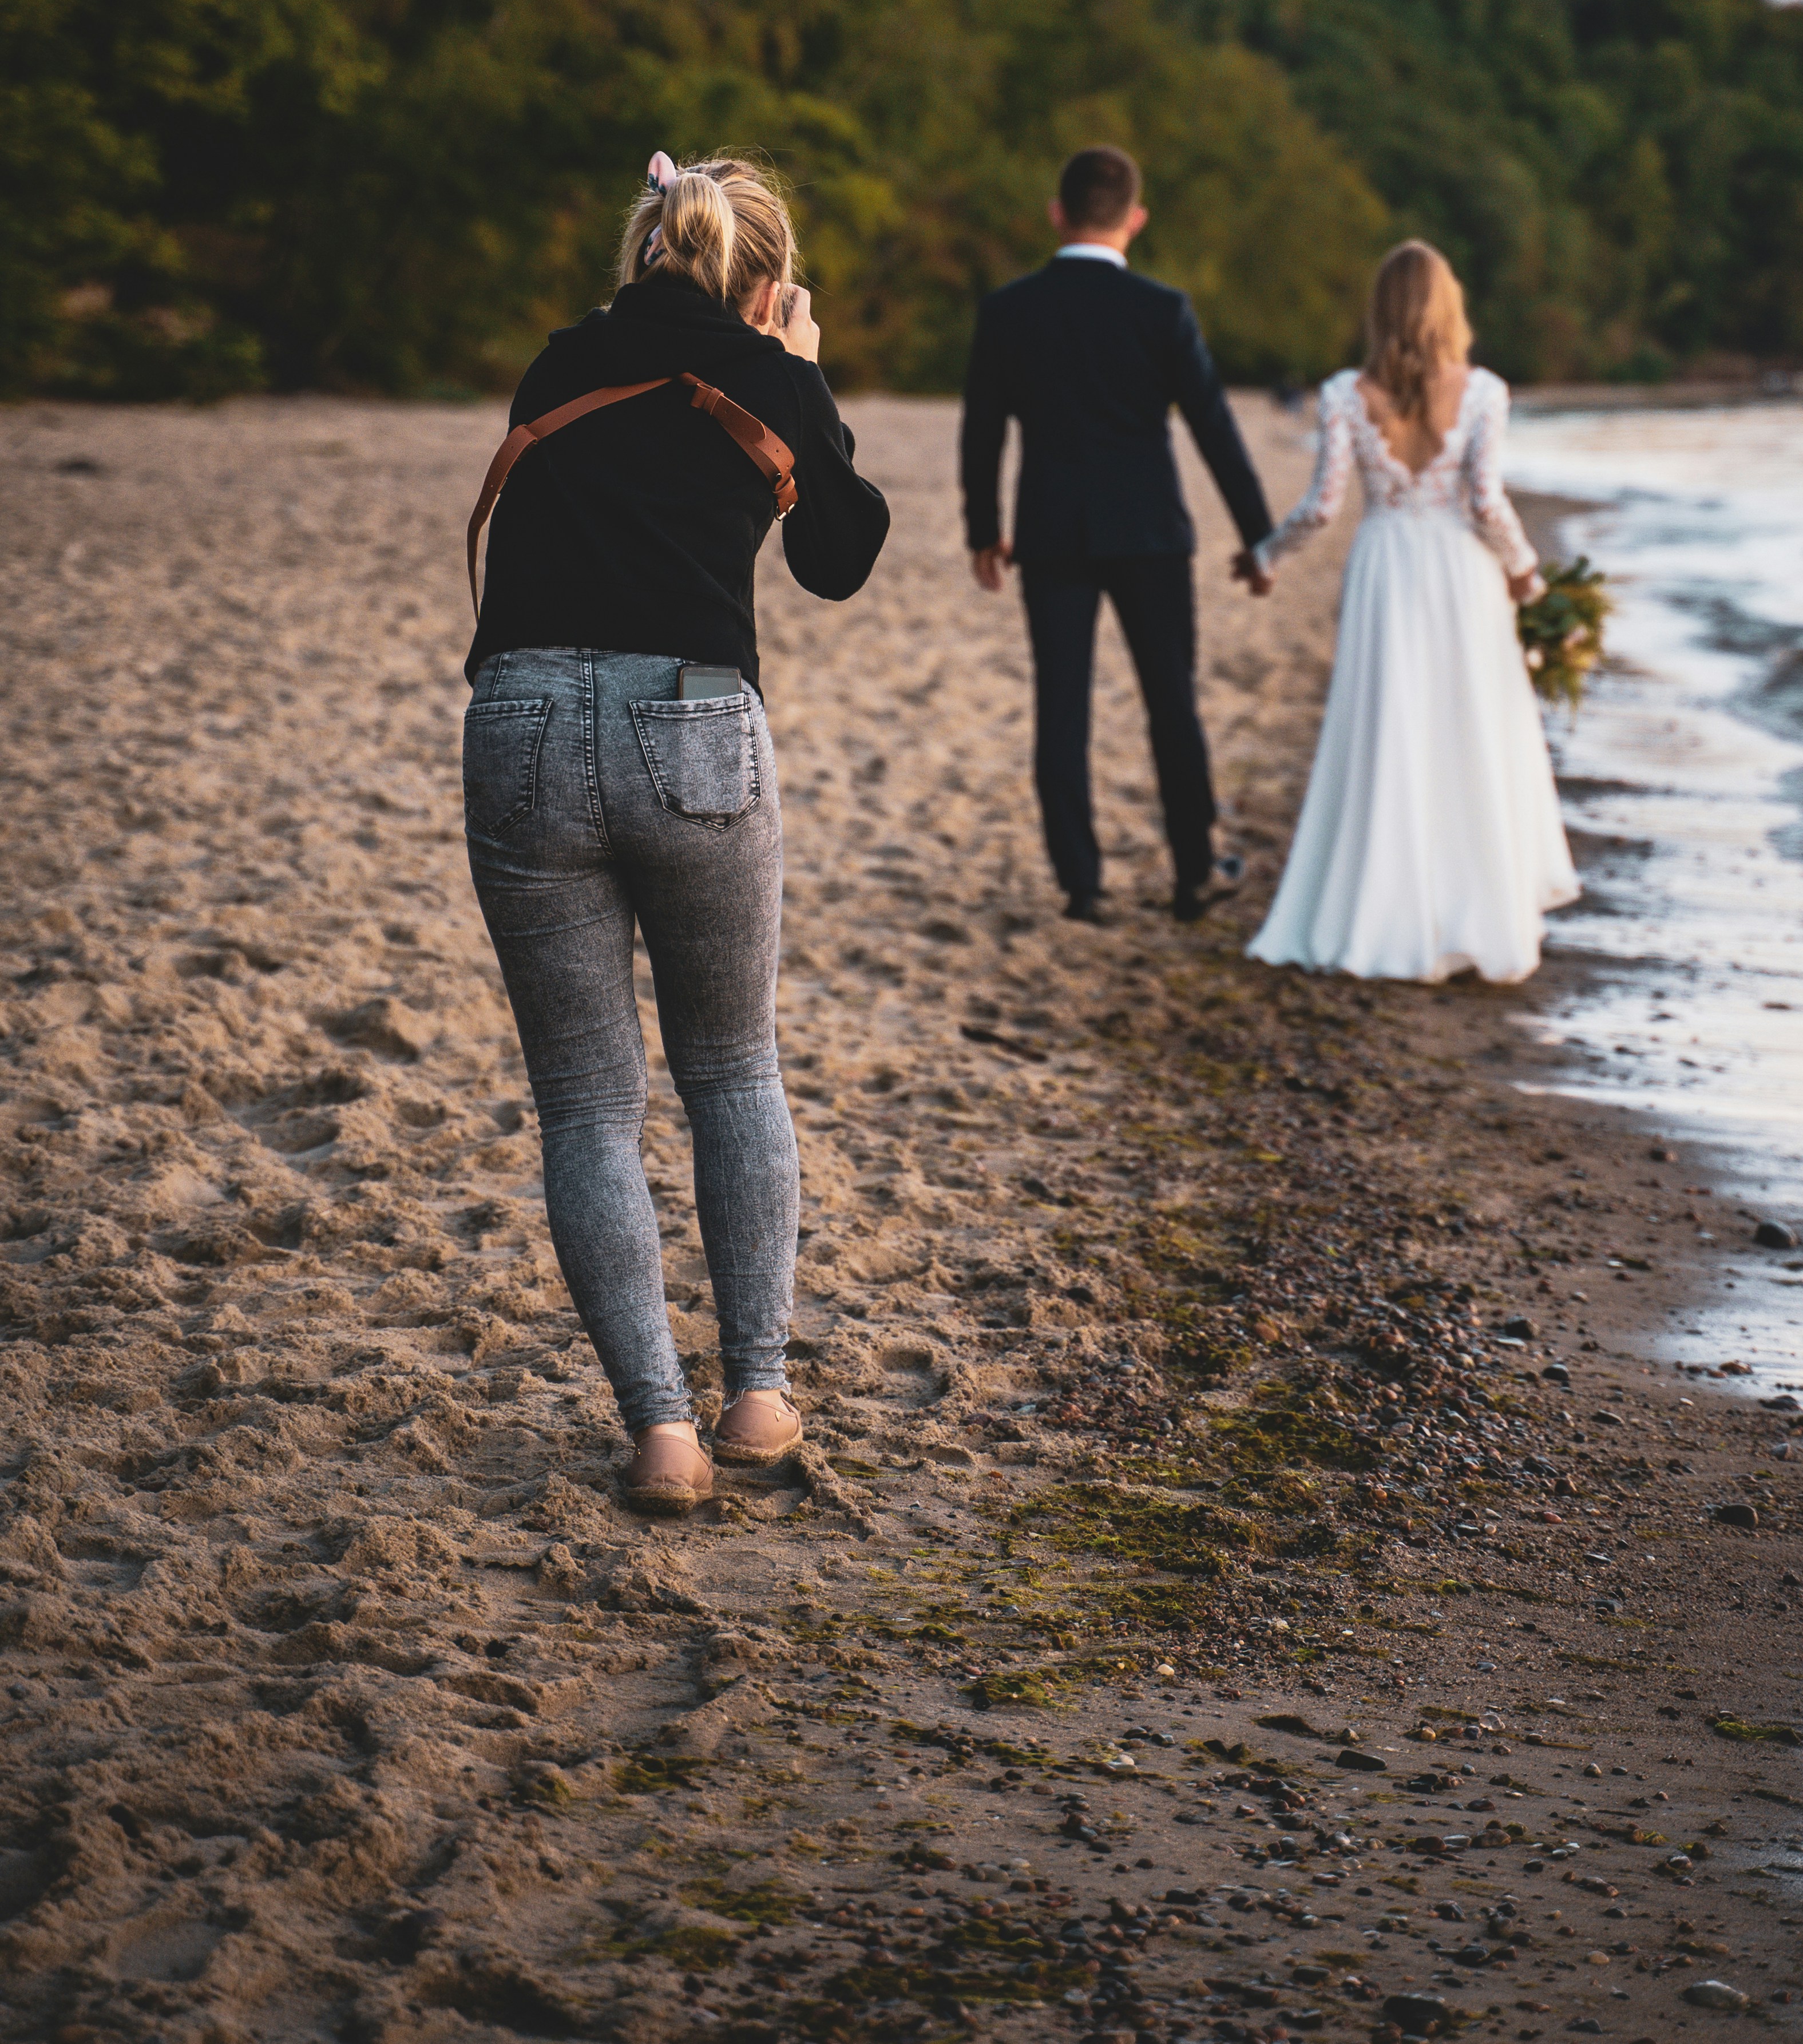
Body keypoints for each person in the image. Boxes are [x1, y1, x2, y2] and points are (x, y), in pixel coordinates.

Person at [462, 155, 889, 1515]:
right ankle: (756, 1394)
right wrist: (800, 374)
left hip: (521, 718)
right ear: (769, 284)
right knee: (731, 1067)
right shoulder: (773, 373)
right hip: (696, 722)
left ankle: (658, 1431)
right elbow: (839, 557)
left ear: (649, 248)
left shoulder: (557, 360)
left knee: (587, 1103)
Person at [1244, 239, 1580, 983]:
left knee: (1388, 727)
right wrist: (1526, 573)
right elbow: (1488, 501)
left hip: (1386, 567)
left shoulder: (1341, 394)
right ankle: (1473, 911)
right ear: (1448, 305)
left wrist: (1267, 556)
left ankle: (1385, 911)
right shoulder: (1485, 392)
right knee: (1468, 728)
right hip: (1462, 571)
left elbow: (1324, 506)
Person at [960, 143, 1274, 923]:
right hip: (1151, 533)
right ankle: (1195, 871)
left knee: (1061, 707)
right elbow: (1215, 430)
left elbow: (983, 431)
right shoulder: (1162, 310)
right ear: (1135, 219)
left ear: (1057, 214)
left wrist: (984, 529)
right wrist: (1259, 538)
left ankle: (1084, 884)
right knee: (1173, 703)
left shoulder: (1009, 310)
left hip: (1052, 533)